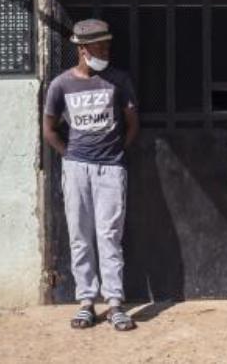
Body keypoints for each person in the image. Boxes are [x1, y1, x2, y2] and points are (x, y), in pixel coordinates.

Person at [43, 19, 140, 331]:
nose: (105, 50)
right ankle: (86, 301)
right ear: (82, 50)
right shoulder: (61, 85)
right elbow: (49, 128)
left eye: (107, 45)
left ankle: (114, 303)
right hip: (76, 169)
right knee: (80, 236)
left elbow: (132, 123)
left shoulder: (118, 80)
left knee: (110, 236)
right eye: (99, 46)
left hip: (111, 169)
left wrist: (116, 153)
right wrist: (69, 155)